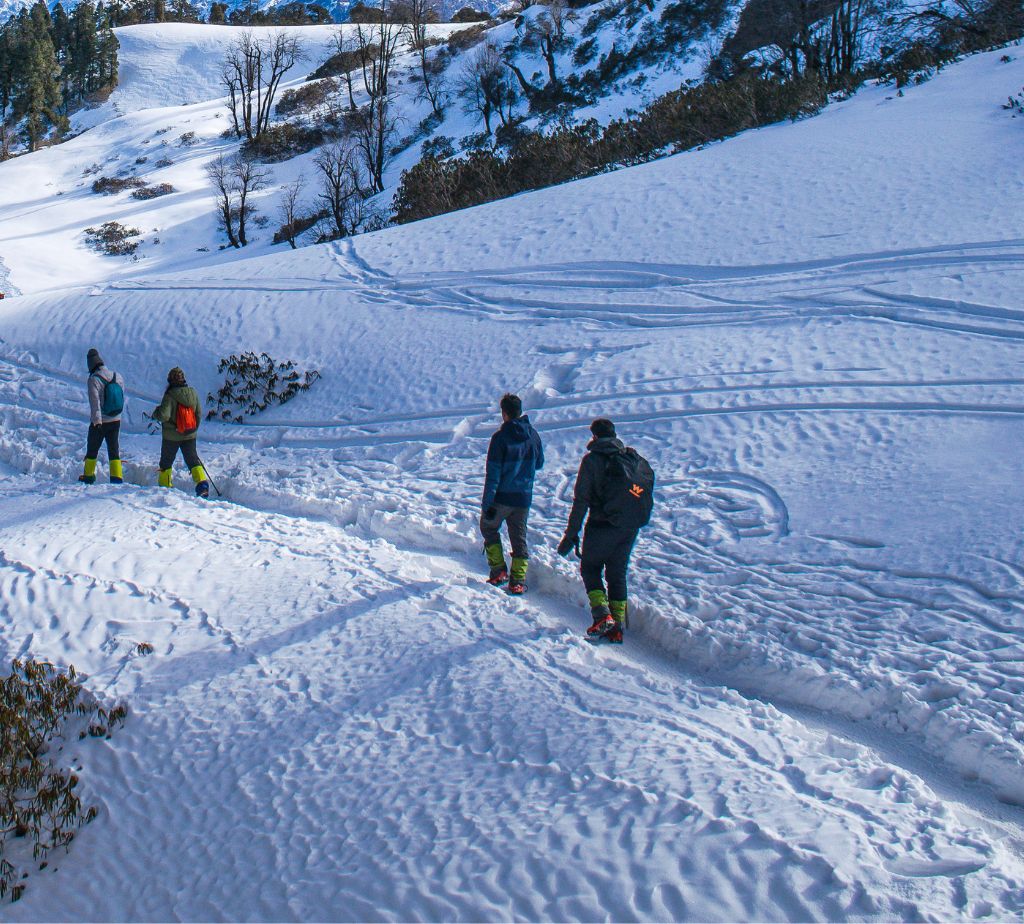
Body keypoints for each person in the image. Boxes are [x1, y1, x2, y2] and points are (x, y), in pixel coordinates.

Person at [557, 418, 654, 644]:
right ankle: (616, 627)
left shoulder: (592, 460)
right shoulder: (632, 458)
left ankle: (602, 615)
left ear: (594, 436)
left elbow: (581, 500)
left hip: (602, 524)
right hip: (629, 526)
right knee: (617, 574)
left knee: (590, 568)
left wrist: (571, 534)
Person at [480, 393, 544, 594]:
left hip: (502, 497)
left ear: (504, 413)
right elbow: (539, 463)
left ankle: (499, 571)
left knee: (488, 527)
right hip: (523, 497)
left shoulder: (500, 438)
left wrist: (487, 504)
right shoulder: (533, 435)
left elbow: (493, 474)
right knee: (519, 537)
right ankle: (518, 581)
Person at [152, 367, 210, 498]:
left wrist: (156, 412)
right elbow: (198, 413)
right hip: (189, 434)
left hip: (171, 436)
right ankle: (202, 485)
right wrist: (193, 429)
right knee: (193, 460)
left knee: (166, 462)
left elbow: (164, 415)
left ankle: (164, 487)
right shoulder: (193, 393)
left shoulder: (170, 395)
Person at [80, 348, 125, 485]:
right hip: (116, 419)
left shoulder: (94, 379)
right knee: (114, 450)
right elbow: (121, 397)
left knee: (92, 449)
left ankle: (88, 477)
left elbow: (95, 403)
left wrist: (97, 422)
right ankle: (117, 479)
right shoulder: (117, 376)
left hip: (101, 421)